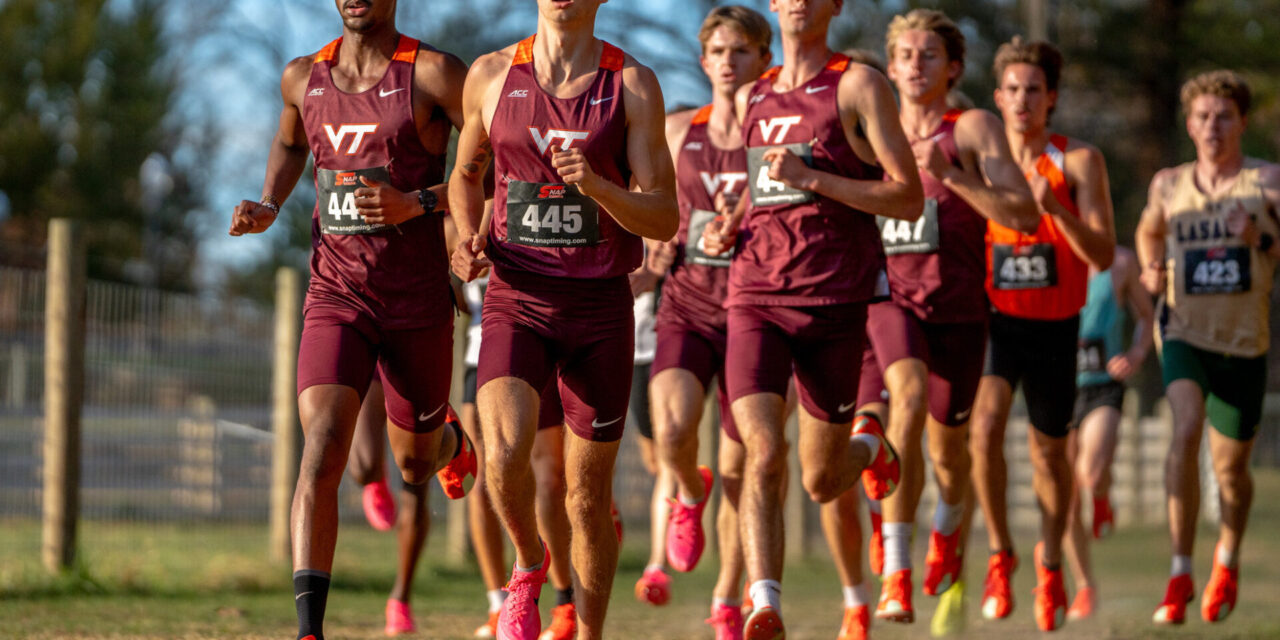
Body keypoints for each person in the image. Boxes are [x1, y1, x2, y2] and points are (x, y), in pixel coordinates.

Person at [228, 2, 475, 638]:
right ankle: (309, 629)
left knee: (415, 466)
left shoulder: (434, 75)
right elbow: (288, 144)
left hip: (417, 301)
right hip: (337, 295)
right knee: (322, 452)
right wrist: (269, 203)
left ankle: (449, 441)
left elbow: (499, 167)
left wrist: (416, 202)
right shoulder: (301, 78)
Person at [448, 0, 679, 636]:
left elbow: (664, 216)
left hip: (601, 307)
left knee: (585, 497)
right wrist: (465, 238)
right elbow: (464, 177)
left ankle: (591, 631)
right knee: (502, 454)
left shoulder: (631, 84)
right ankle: (527, 565)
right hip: (517, 299)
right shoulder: (492, 75)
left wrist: (600, 187)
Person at [699, 0, 922, 636]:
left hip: (834, 302)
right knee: (763, 453)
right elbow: (758, 182)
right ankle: (764, 602)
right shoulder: (755, 93)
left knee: (823, 481)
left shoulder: (859, 84)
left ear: (833, 7)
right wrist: (729, 222)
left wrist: (814, 179)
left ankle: (869, 443)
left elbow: (905, 195)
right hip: (754, 297)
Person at [865, 11, 1040, 631]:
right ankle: (896, 570)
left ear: (955, 68)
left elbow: (1022, 215)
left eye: (930, 54)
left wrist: (954, 177)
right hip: (889, 301)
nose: (916, 63)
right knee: (904, 404)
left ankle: (949, 522)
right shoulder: (868, 133)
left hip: (960, 312)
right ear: (890, 67)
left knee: (949, 452)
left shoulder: (970, 128)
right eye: (905, 54)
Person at [971, 36, 1116, 632]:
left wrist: (1058, 208)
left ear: (1050, 97)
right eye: (1012, 89)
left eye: (1034, 89)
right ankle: (1001, 553)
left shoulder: (1079, 161)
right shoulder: (982, 158)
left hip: (1057, 325)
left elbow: (1104, 254)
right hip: (996, 320)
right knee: (982, 430)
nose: (1022, 99)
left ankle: (1051, 562)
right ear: (998, 97)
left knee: (1050, 456)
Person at [643, 8, 773, 639]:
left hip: (759, 312)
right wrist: (653, 251)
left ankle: (726, 601)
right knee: (671, 429)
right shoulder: (677, 130)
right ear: (703, 60)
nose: (729, 61)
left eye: (742, 51)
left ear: (763, 60)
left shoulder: (774, 131)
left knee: (741, 470)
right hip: (688, 308)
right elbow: (648, 211)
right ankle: (686, 496)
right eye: (718, 50)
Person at [1137, 70, 1280, 626]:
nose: (1212, 126)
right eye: (1202, 116)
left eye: (1223, 116)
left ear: (1242, 121)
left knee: (1231, 475)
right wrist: (1151, 265)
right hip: (1183, 332)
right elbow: (1150, 230)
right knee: (1185, 427)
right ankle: (1178, 571)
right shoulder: (1169, 184)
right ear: (1189, 123)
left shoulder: (1267, 181)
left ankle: (1227, 556)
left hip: (1244, 341)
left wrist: (1259, 238)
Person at [1055, 245, 1153, 621]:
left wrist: (1136, 354)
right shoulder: (1052, 252)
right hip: (1060, 385)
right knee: (1065, 496)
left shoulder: (1121, 263)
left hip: (1103, 385)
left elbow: (1146, 316)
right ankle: (1085, 586)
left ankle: (1102, 494)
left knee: (1090, 472)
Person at [345, 380, 433, 636]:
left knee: (417, 474)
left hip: (418, 352)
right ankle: (376, 475)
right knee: (363, 467)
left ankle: (400, 599)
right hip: (373, 357)